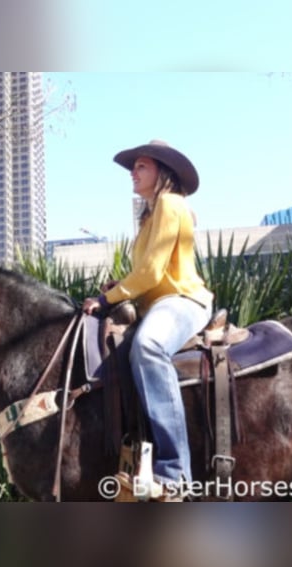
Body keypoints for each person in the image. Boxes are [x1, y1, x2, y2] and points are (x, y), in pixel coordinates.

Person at [82, 140, 214, 497]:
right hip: (157, 304)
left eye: (141, 166)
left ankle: (174, 473)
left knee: (149, 346)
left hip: (182, 300)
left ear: (162, 172)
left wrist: (107, 297)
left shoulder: (172, 203)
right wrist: (122, 284)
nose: (133, 173)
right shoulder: (150, 215)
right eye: (133, 167)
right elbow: (144, 273)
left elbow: (154, 273)